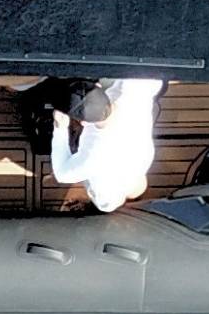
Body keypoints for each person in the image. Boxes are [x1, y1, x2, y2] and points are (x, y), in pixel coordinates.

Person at [48, 78, 163, 213]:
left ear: (83, 123)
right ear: (97, 86)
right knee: (131, 189)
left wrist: (61, 129)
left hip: (119, 186)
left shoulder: (93, 159)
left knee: (111, 203)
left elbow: (63, 175)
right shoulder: (133, 93)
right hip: (133, 169)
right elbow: (62, 174)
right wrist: (60, 128)